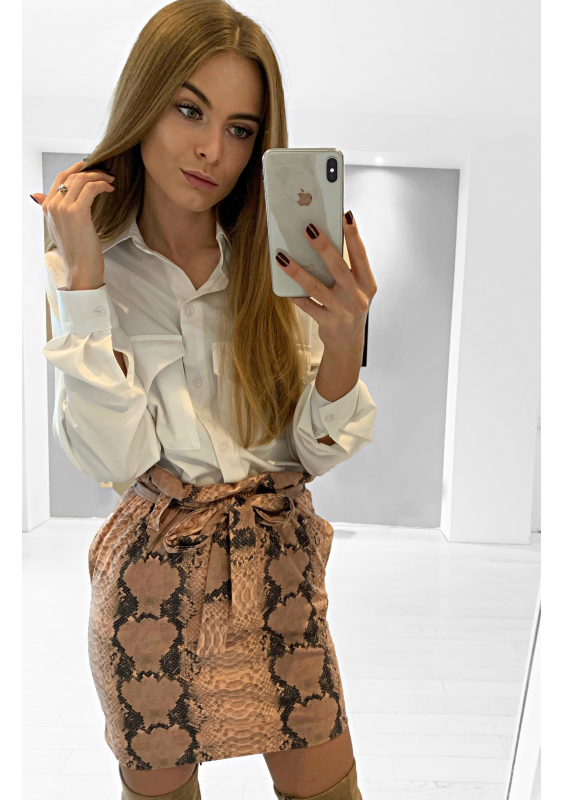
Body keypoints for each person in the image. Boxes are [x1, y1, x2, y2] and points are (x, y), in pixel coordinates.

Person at [32, 2, 377, 798]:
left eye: (240, 128)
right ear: (144, 102)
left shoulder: (277, 266)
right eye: (190, 110)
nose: (212, 150)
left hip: (277, 570)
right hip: (150, 585)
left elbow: (313, 453)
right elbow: (115, 460)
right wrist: (82, 285)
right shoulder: (88, 266)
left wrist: (345, 343)